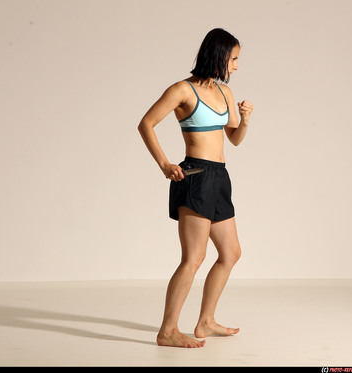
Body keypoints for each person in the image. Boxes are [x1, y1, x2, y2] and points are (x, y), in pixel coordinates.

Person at [137, 28, 253, 348]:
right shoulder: (182, 90)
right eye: (234, 59)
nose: (237, 66)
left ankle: (205, 321)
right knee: (193, 258)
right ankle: (168, 330)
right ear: (218, 56)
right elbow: (146, 124)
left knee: (231, 253)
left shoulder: (225, 93)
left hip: (219, 177)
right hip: (196, 176)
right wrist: (163, 164)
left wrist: (243, 120)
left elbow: (235, 139)